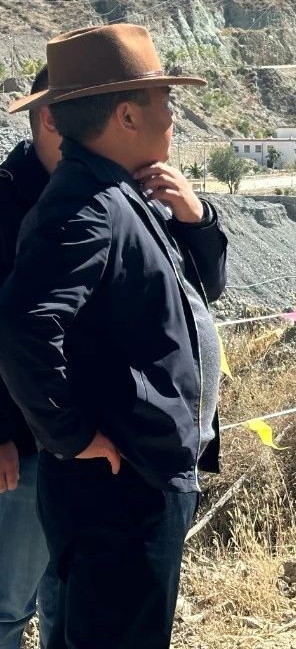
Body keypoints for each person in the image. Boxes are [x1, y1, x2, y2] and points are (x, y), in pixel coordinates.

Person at [0, 24, 228, 649]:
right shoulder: (87, 204)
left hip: (138, 471)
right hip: (122, 481)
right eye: (164, 101)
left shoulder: (120, 190)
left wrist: (196, 218)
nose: (173, 117)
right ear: (126, 115)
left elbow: (201, 285)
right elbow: (23, 326)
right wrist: (71, 436)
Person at [0, 68, 60, 649]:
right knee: (6, 605)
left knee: (63, 595)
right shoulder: (4, 199)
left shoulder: (100, 191)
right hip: (20, 448)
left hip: (79, 437)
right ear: (49, 119)